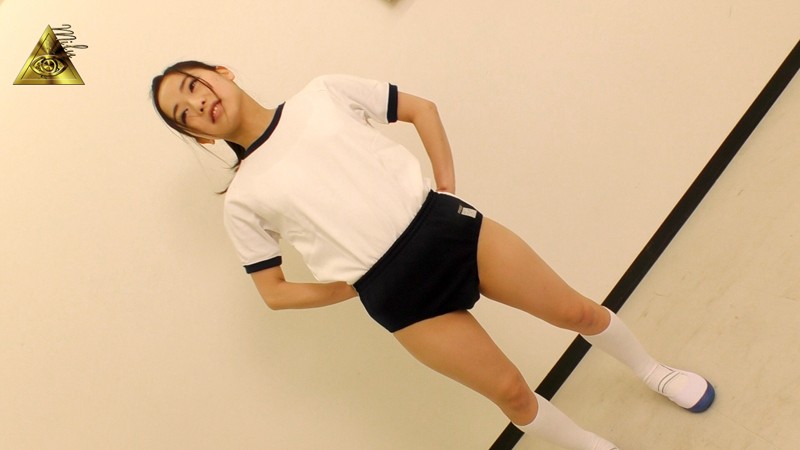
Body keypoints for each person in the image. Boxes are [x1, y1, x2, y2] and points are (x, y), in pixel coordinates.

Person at [151, 61, 715, 449]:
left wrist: (446, 187)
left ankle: (656, 372)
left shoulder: (321, 93)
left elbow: (421, 108)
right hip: (399, 297)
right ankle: (590, 446)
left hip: (448, 232)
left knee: (577, 312)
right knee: (510, 392)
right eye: (184, 113)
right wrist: (350, 286)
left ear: (221, 72)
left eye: (193, 86)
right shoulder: (243, 198)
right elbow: (273, 293)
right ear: (200, 137)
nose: (198, 103)